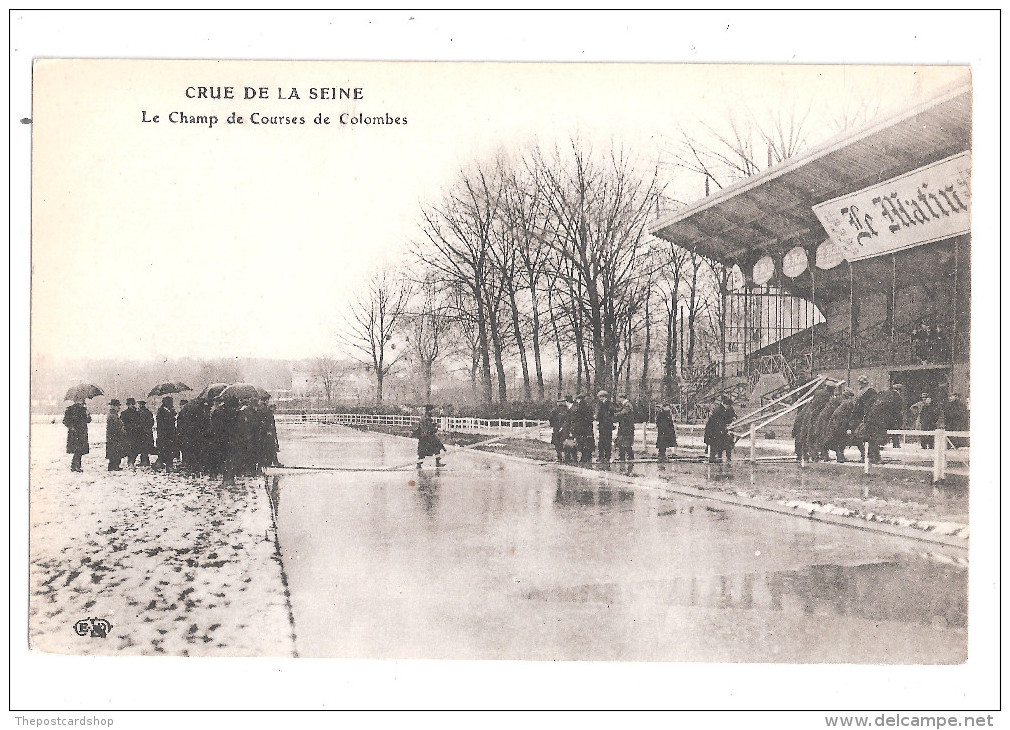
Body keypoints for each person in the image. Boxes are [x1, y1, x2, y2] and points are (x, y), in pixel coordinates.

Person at [864, 383, 905, 464]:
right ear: (900, 390)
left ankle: (871, 457)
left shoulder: (882, 393)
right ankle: (875, 458)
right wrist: (897, 424)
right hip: (881, 419)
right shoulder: (897, 397)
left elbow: (869, 403)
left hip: (871, 416)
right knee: (878, 438)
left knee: (872, 437)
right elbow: (897, 412)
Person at [825, 389, 856, 462]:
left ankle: (838, 455)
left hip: (836, 421)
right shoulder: (848, 402)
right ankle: (839, 456)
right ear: (849, 396)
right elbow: (850, 414)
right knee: (839, 439)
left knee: (836, 439)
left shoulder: (843, 401)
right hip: (839, 422)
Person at [63, 396, 91, 472]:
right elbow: (65, 421)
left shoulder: (84, 409)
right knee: (77, 450)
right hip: (74, 433)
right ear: (76, 400)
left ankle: (75, 465)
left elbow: (88, 420)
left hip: (82, 432)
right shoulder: (70, 409)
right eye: (81, 400)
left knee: (80, 450)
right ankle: (75, 466)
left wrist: (88, 415)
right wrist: (71, 427)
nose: (82, 401)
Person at [153, 396, 178, 472]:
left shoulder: (168, 411)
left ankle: (159, 464)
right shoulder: (162, 411)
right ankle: (168, 467)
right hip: (165, 435)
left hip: (168, 434)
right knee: (168, 451)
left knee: (166, 451)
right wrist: (172, 416)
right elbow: (165, 423)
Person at [120, 398, 144, 469]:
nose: (133, 405)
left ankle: (132, 461)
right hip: (128, 434)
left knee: (136, 449)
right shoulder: (124, 413)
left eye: (133, 404)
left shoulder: (137, 413)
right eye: (131, 404)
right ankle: (130, 462)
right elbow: (122, 423)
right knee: (130, 449)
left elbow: (140, 422)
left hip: (136, 434)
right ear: (128, 405)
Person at [105, 399, 129, 471]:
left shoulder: (113, 414)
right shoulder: (113, 415)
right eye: (117, 406)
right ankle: (114, 466)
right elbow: (115, 427)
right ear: (113, 406)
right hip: (115, 437)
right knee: (115, 452)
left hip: (114, 437)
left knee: (115, 452)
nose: (119, 408)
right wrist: (121, 431)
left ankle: (114, 466)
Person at [571, 394, 595, 464]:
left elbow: (578, 418)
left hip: (582, 428)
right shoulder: (588, 406)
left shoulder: (580, 407)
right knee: (587, 442)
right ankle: (587, 456)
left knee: (582, 443)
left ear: (579, 399)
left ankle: (584, 457)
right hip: (587, 428)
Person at [614, 394, 635, 462]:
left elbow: (623, 413)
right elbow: (620, 410)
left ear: (622, 398)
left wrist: (614, 414)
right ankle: (622, 456)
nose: (618, 400)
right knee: (622, 441)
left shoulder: (627, 405)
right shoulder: (625, 404)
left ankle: (629, 456)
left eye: (619, 398)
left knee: (625, 442)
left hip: (627, 427)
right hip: (624, 426)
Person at [595, 390, 615, 463]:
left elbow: (610, 414)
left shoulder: (609, 404)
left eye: (601, 397)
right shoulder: (600, 404)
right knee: (601, 442)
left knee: (607, 442)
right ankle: (601, 457)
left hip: (607, 426)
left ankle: (607, 457)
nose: (600, 398)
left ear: (604, 397)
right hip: (602, 425)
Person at [549, 398, 570, 463]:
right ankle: (564, 457)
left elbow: (551, 420)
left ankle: (561, 457)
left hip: (560, 429)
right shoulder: (566, 410)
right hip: (561, 429)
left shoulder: (557, 410)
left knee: (559, 444)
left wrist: (556, 426)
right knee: (561, 444)